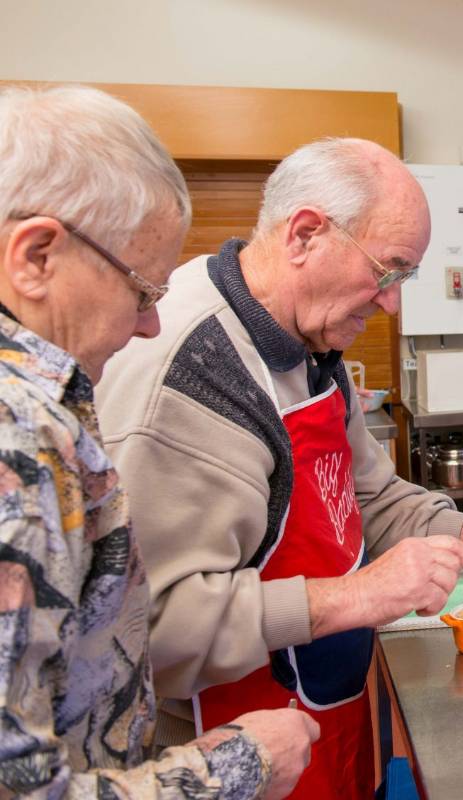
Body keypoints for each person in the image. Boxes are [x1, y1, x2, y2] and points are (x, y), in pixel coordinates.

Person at [95, 138, 463, 798]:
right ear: (305, 234)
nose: (390, 304)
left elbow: (373, 497)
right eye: (387, 272)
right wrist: (357, 596)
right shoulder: (191, 374)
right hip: (225, 746)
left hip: (325, 715)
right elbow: (152, 625)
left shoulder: (310, 344)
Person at [0, 85, 316, 798]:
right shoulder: (17, 451)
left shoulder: (50, 403)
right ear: (36, 257)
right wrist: (239, 764)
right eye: (142, 293)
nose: (149, 326)